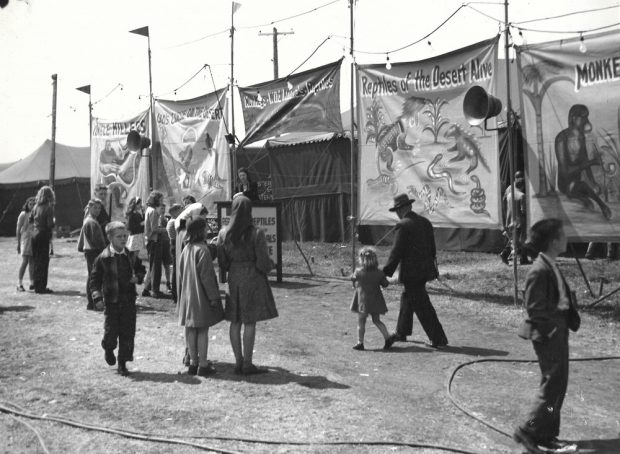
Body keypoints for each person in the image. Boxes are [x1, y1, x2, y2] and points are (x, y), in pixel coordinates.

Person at [513, 218, 580, 454]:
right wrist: (551, 330)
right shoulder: (539, 270)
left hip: (558, 330)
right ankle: (528, 429)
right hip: (548, 334)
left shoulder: (550, 263)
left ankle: (547, 434)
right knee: (551, 386)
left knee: (557, 386)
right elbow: (534, 307)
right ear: (553, 241)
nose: (566, 238)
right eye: (563, 235)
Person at [217, 195, 278, 375]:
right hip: (252, 278)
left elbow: (222, 262)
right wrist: (270, 266)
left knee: (235, 321)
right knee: (249, 321)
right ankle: (248, 364)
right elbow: (262, 262)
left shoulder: (223, 233)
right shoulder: (256, 233)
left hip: (234, 278)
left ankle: (237, 362)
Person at [383, 193, 448, 348]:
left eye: (397, 210)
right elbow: (432, 249)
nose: (397, 214)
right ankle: (401, 331)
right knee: (408, 298)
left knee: (422, 304)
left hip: (412, 273)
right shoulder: (425, 222)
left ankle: (439, 339)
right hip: (425, 270)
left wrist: (384, 272)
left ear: (402, 209)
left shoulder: (403, 225)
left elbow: (396, 252)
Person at [90, 221, 146, 376]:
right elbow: (94, 280)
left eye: (125, 236)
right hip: (112, 302)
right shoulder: (103, 258)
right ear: (110, 238)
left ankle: (122, 363)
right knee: (111, 332)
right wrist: (97, 298)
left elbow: (141, 269)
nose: (123, 239)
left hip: (128, 300)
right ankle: (108, 348)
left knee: (127, 332)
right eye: (119, 236)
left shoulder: (130, 255)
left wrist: (138, 277)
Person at [177, 217, 225, 376]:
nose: (207, 231)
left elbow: (181, 272)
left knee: (190, 329)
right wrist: (214, 297)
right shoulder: (203, 250)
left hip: (188, 296)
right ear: (200, 231)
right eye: (205, 228)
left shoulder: (186, 249)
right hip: (200, 297)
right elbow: (207, 278)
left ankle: (193, 362)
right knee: (203, 330)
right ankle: (203, 364)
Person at [554, 104, 611, 220]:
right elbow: (566, 171)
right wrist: (591, 162)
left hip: (577, 181)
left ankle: (585, 199)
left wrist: (593, 182)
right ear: (574, 118)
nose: (586, 121)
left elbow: (584, 160)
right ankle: (601, 205)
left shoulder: (581, 137)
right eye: (583, 117)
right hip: (565, 184)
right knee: (578, 186)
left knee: (582, 186)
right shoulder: (561, 138)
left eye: (587, 117)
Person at [174, 202, 210, 366]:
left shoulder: (182, 232)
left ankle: (191, 356)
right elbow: (203, 270)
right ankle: (193, 357)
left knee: (190, 324)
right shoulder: (192, 240)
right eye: (203, 216)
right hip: (195, 286)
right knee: (197, 326)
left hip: (186, 284)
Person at [350, 247, 392, 351]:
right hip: (376, 301)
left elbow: (353, 279)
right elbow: (385, 284)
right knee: (377, 320)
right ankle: (388, 338)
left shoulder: (359, 272)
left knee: (361, 321)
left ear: (361, 259)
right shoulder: (378, 273)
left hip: (363, 301)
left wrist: (354, 284)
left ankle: (360, 342)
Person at [78, 199, 107, 310]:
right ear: (89, 208)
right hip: (93, 252)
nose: (98, 210)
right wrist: (105, 251)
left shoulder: (90, 220)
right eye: (95, 207)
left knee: (92, 277)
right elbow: (98, 241)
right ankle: (94, 303)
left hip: (90, 251)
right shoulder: (91, 222)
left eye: (99, 208)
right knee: (95, 278)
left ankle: (92, 303)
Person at [500, 171, 531, 265]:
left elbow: (505, 201)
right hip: (517, 218)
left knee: (514, 239)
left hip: (511, 217)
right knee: (520, 239)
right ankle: (511, 254)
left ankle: (522, 257)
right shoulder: (513, 190)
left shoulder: (511, 191)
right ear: (517, 178)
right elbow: (522, 210)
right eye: (520, 178)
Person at [31, 185, 55, 294]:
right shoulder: (49, 207)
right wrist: (53, 222)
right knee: (44, 261)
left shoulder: (35, 206)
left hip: (34, 234)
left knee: (36, 261)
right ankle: (42, 287)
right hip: (43, 234)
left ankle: (36, 285)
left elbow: (30, 220)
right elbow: (50, 224)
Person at [142, 190, 164, 298]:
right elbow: (154, 229)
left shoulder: (149, 210)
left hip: (149, 240)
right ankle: (155, 290)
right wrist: (165, 229)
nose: (162, 201)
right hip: (154, 240)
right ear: (156, 199)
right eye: (160, 199)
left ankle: (146, 289)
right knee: (156, 267)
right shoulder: (154, 212)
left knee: (152, 266)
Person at [16, 196, 36, 292]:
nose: (32, 206)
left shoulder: (35, 214)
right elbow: (18, 229)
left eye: (34, 204)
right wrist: (18, 244)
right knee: (25, 262)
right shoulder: (23, 214)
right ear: (27, 204)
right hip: (25, 239)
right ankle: (19, 283)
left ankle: (32, 283)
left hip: (33, 239)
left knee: (32, 262)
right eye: (30, 204)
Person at [166, 203, 183, 303]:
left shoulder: (173, 221)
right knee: (176, 271)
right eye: (180, 209)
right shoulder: (174, 222)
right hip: (175, 245)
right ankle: (175, 294)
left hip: (174, 245)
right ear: (175, 211)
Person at [125, 197, 145, 262]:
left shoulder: (137, 213)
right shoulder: (132, 214)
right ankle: (131, 267)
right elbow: (130, 227)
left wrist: (144, 213)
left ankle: (132, 266)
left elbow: (143, 220)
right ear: (135, 204)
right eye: (139, 204)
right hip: (135, 235)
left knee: (136, 253)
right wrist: (140, 224)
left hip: (138, 234)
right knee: (134, 253)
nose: (141, 205)